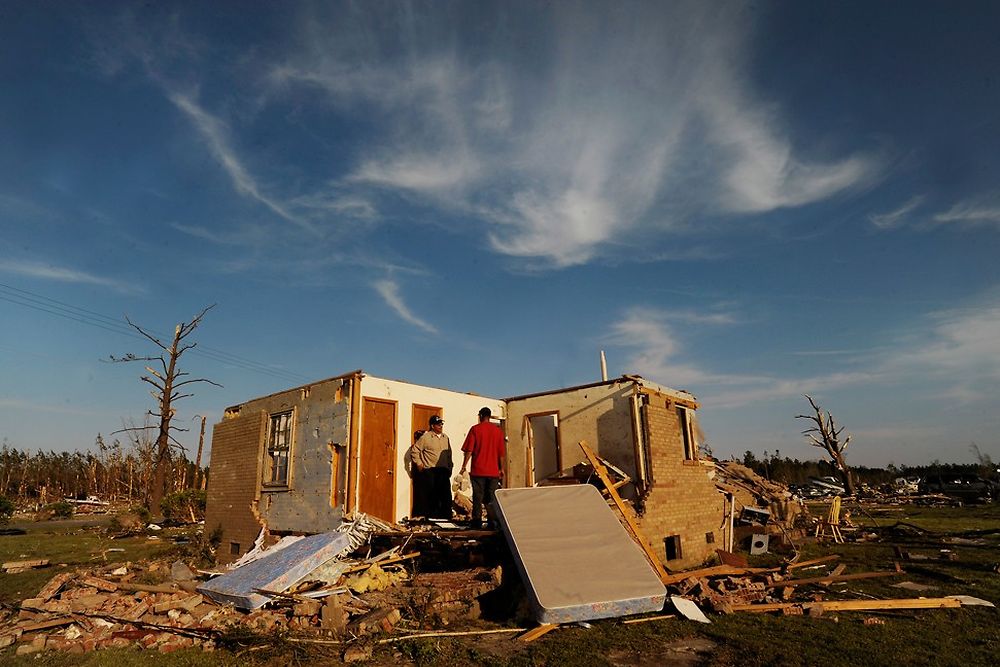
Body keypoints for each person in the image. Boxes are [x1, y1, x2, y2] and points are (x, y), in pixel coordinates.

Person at [460, 407, 505, 529]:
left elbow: (469, 450)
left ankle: (477, 522)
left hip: (478, 470)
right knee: (491, 498)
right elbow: (501, 453)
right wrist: (501, 469)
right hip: (493, 471)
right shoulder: (497, 431)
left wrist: (464, 466)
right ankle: (492, 522)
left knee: (478, 497)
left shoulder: (475, 429)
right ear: (489, 416)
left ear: (480, 416)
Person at [411, 415, 453, 519]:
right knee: (432, 496)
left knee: (445, 496)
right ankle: (431, 518)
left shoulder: (445, 438)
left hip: (443, 471)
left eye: (441, 424)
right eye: (438, 424)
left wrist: (450, 467)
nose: (440, 426)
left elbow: (449, 454)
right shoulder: (426, 437)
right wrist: (419, 463)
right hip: (431, 471)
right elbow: (415, 450)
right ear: (432, 425)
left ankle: (446, 517)